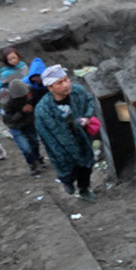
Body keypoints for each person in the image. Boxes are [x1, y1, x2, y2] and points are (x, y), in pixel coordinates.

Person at [34, 64, 97, 201]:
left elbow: (89, 100)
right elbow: (45, 136)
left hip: (81, 139)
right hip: (61, 146)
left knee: (86, 167)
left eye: (66, 80)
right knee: (67, 169)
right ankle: (67, 181)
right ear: (50, 87)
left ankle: (84, 189)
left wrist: (87, 116)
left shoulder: (78, 92)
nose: (66, 85)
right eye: (60, 83)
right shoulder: (42, 110)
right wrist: (59, 152)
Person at [2, 79, 46, 175]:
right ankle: (32, 164)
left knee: (34, 142)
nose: (27, 96)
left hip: (29, 122)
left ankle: (37, 158)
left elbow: (38, 103)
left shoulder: (30, 90)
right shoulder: (6, 101)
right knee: (25, 148)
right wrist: (21, 112)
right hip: (16, 126)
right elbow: (8, 120)